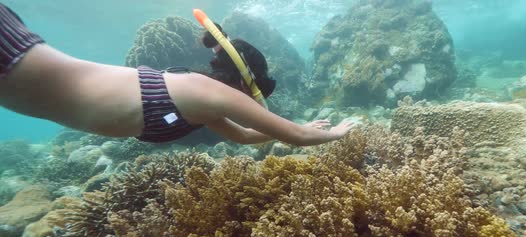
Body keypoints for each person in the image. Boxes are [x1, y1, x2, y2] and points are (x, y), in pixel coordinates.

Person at [0, 3, 355, 145]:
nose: (254, 99)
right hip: (12, 53)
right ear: (245, 81)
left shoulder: (206, 104)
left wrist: (303, 129)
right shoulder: (210, 92)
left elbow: (245, 136)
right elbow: (291, 135)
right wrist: (336, 134)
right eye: (257, 90)